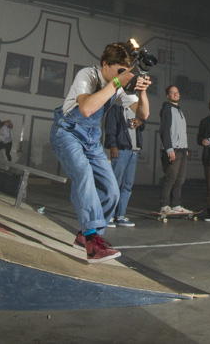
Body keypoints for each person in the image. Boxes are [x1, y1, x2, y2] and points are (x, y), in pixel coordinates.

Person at [51, 43, 150, 263]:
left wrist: (142, 93)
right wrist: (116, 83)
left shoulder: (118, 86)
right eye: (119, 71)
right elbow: (86, 108)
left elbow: (143, 114)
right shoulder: (88, 75)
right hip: (67, 133)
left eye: (125, 72)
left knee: (112, 190)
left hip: (91, 140)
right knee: (84, 175)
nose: (123, 76)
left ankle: (83, 237)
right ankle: (92, 241)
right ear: (105, 65)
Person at [104, 104, 145, 228]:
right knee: (115, 183)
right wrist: (113, 145)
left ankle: (120, 216)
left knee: (127, 185)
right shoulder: (116, 106)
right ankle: (108, 215)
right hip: (121, 149)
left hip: (134, 150)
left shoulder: (137, 106)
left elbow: (143, 124)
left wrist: (140, 122)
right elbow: (110, 127)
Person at [158, 85, 191, 214]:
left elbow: (182, 132)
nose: (175, 94)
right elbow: (164, 130)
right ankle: (164, 205)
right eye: (172, 93)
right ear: (168, 96)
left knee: (180, 179)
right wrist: (169, 148)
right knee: (170, 177)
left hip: (182, 149)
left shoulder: (179, 111)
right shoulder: (167, 109)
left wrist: (186, 148)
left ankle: (176, 204)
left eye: (177, 92)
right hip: (173, 150)